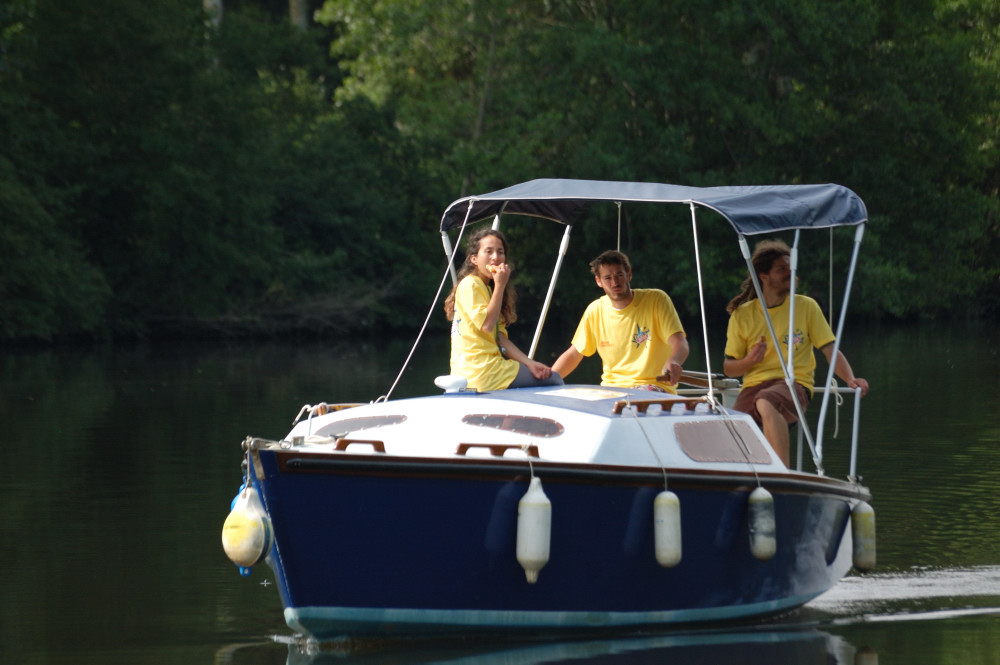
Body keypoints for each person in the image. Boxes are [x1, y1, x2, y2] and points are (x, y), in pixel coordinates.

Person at [723, 239, 869, 466]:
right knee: (730, 428)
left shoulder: (806, 306)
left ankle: (782, 475)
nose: (790, 273)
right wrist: (750, 360)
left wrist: (850, 379)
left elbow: (829, 350)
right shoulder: (742, 315)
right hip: (753, 386)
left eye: (791, 268)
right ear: (764, 276)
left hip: (794, 384)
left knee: (765, 401)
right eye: (782, 269)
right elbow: (729, 368)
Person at [552, 250, 689, 392]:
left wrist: (674, 361)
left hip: (653, 388)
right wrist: (549, 379)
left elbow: (680, 343)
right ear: (598, 281)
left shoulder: (657, 300)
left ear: (629, 275)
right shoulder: (595, 310)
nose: (615, 282)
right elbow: (574, 354)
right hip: (611, 392)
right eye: (608, 278)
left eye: (619, 275)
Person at [444, 228, 563, 391]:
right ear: (474, 259)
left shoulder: (488, 289)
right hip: (481, 371)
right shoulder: (470, 284)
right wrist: (500, 285)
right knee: (554, 380)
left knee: (543, 377)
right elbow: (486, 325)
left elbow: (500, 339)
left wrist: (529, 363)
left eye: (500, 252)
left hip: (488, 369)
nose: (495, 257)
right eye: (488, 251)